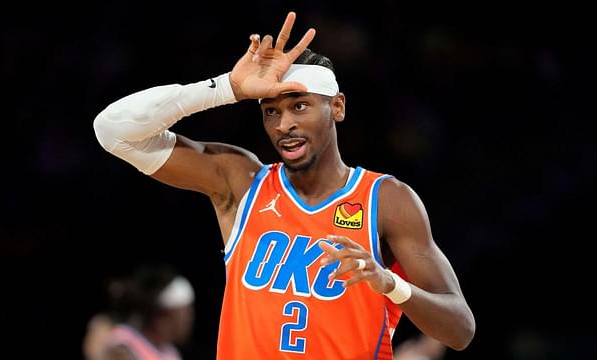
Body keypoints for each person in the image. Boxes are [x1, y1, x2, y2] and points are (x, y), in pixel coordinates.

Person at [93, 11, 475, 359]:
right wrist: (228, 88)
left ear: (337, 107)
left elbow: (460, 329)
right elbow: (114, 131)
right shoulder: (241, 181)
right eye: (270, 111)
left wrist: (389, 282)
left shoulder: (387, 200)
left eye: (299, 106)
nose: (283, 124)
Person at [90, 265, 195, 360]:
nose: (190, 318)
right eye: (186, 311)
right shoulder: (123, 347)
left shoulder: (171, 353)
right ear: (164, 313)